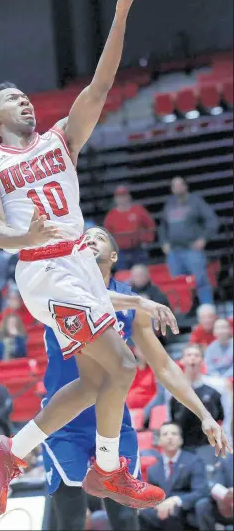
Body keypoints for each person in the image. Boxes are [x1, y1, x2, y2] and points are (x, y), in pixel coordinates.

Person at [0, 0, 181, 516]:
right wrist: (25, 233)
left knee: (94, 381)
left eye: (26, 97)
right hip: (44, 267)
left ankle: (9, 451)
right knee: (125, 366)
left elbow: (102, 84)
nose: (25, 104)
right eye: (13, 100)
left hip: (79, 266)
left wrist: (121, 10)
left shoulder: (62, 138)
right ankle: (107, 471)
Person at [41, 227, 230, 531]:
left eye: (99, 237)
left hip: (113, 419)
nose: (90, 238)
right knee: (71, 518)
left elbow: (165, 366)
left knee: (126, 516)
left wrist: (204, 414)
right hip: (65, 420)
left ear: (113, 256)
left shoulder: (131, 301)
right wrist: (140, 303)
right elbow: (91, 297)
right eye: (85, 237)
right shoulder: (60, 289)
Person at [138, 422, 209, 531]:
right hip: (161, 513)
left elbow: (201, 491)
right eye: (165, 434)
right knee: (140, 513)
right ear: (159, 441)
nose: (170, 437)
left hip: (185, 511)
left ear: (181, 440)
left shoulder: (194, 461)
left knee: (171, 511)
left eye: (174, 434)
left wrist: (176, 500)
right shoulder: (153, 469)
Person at [159, 176, 219, 304]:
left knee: (201, 281)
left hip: (192, 250)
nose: (177, 188)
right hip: (174, 252)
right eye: (174, 185)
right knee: (179, 285)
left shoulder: (196, 201)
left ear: (186, 186)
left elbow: (212, 221)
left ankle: (207, 309)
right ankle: (184, 313)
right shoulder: (169, 204)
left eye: (180, 184)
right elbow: (162, 226)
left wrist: (203, 238)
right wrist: (164, 242)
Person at [170, 344, 224, 453]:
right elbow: (172, 419)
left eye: (196, 355)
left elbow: (222, 418)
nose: (192, 358)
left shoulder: (213, 391)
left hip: (208, 446)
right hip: (184, 447)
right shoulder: (174, 391)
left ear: (202, 360)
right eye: (189, 355)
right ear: (182, 360)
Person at [104, 186, 156, 271]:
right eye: (119, 196)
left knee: (142, 274)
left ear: (128, 196)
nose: (122, 199)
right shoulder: (111, 216)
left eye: (124, 196)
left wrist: (147, 240)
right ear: (115, 198)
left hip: (138, 250)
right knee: (123, 276)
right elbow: (107, 235)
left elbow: (150, 225)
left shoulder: (138, 210)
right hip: (121, 252)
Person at [196, 417, 233, 531]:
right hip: (229, 504)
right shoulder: (227, 460)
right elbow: (215, 485)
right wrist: (224, 495)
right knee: (203, 504)